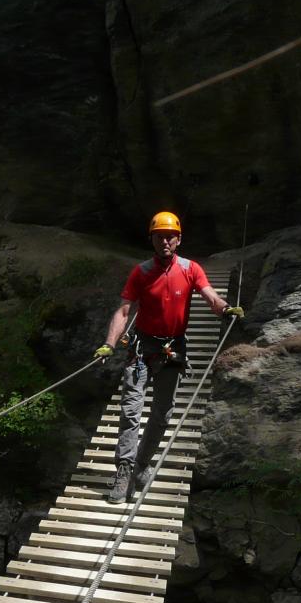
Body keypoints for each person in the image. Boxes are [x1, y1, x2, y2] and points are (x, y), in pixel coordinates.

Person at [94, 211, 242, 503]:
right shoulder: (141, 272)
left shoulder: (190, 269)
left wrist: (225, 309)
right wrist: (109, 344)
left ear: (178, 239)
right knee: (130, 411)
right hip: (142, 349)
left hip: (173, 349)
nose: (164, 241)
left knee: (162, 415)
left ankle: (141, 464)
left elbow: (210, 296)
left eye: (169, 236)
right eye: (159, 236)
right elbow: (124, 311)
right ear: (151, 239)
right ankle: (124, 471)